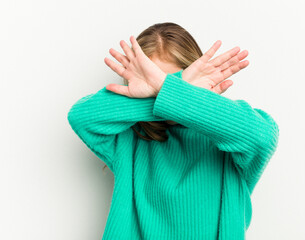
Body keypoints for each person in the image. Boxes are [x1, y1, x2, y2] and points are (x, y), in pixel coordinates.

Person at [67, 22, 279, 240]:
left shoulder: (229, 141)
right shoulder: (128, 139)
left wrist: (170, 92)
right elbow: (81, 116)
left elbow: (263, 137)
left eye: (173, 80)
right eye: (154, 82)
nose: (162, 89)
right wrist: (177, 87)